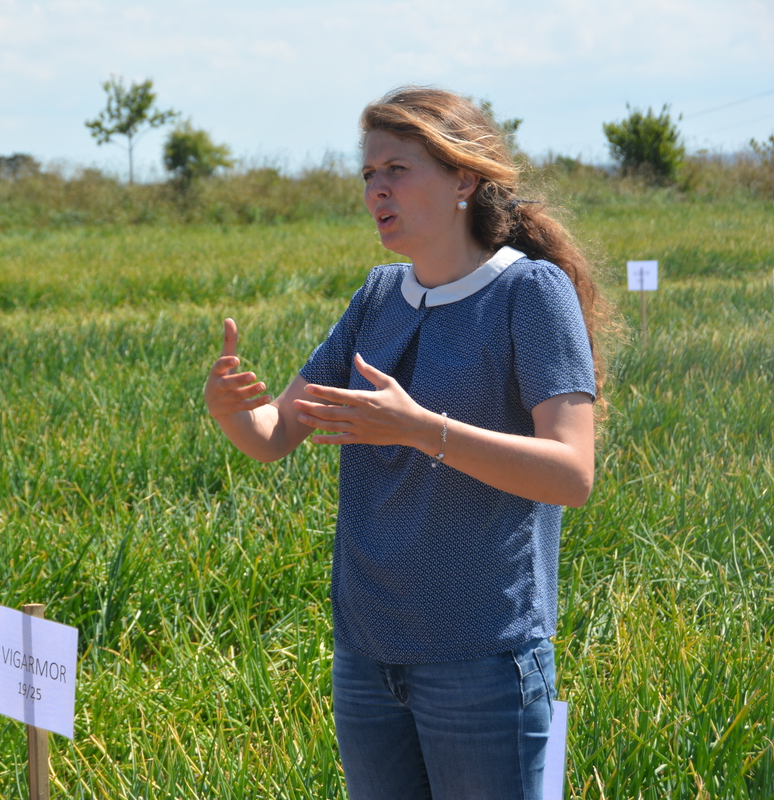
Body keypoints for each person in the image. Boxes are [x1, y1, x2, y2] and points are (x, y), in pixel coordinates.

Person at [203, 86, 611, 800]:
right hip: (366, 656)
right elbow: (274, 436)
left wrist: (423, 430)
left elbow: (572, 474)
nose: (376, 191)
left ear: (463, 177)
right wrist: (230, 410)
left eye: (396, 169)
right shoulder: (379, 296)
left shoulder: (529, 294)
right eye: (367, 175)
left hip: (482, 659)